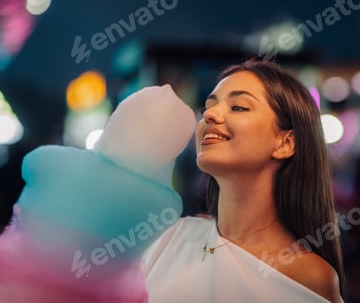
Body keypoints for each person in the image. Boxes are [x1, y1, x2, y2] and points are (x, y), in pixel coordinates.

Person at [142, 59, 345, 303]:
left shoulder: (309, 277)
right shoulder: (165, 238)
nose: (209, 114)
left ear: (285, 143)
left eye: (238, 107)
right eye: (208, 106)